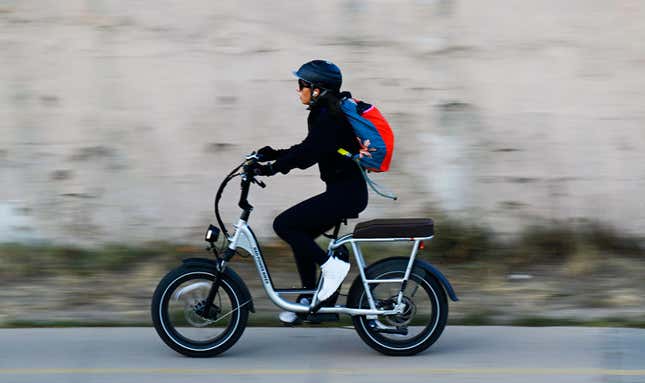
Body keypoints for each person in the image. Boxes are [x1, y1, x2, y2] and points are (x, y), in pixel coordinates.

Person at [252, 60, 368, 324]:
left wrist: (271, 169)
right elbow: (310, 148)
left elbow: (308, 155)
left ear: (317, 89)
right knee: (299, 232)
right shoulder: (327, 113)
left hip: (345, 194)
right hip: (345, 192)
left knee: (285, 225)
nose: (298, 90)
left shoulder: (327, 115)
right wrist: (274, 155)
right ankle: (309, 300)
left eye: (302, 85)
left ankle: (332, 268)